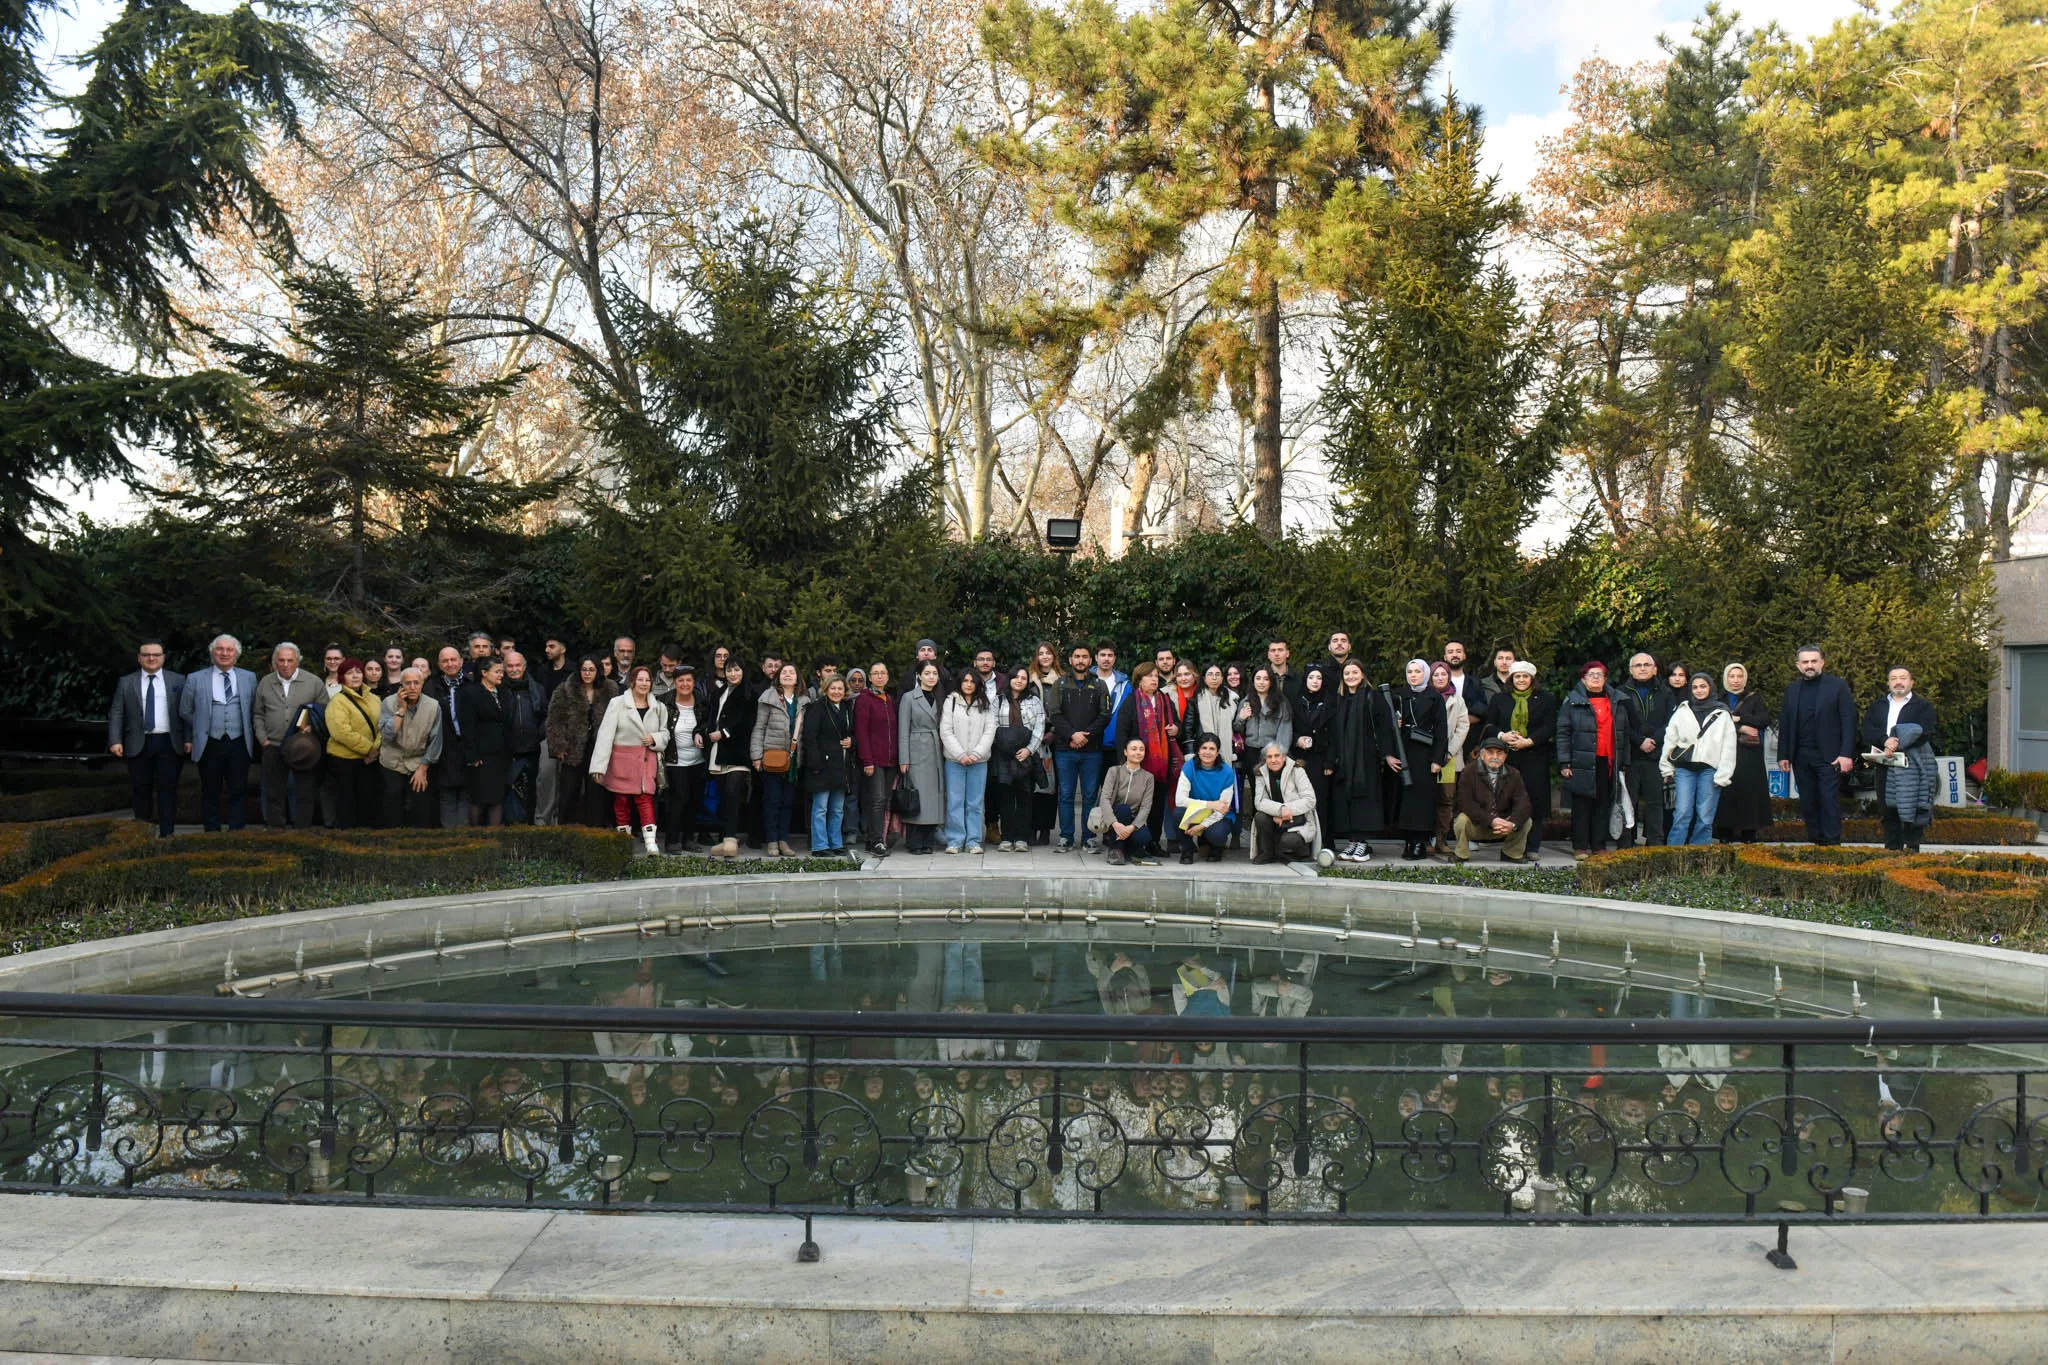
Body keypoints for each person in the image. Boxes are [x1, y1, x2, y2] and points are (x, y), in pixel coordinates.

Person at [1777, 644, 1858, 846]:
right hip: (1800, 755)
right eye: (1805, 662)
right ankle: (1816, 842)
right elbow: (1785, 723)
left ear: (1822, 662)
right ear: (1798, 665)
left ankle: (1832, 845)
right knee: (1808, 802)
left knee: (1829, 801)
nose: (1810, 665)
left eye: (1814, 661)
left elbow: (1849, 720)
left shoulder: (1837, 686)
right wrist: (1783, 754)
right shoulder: (1792, 690)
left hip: (1829, 756)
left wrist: (1846, 753)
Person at [179, 633, 259, 833]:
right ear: (212, 652)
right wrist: (200, 727)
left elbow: (255, 708)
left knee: (238, 790)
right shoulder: (195, 678)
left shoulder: (249, 677)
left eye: (229, 650)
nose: (224, 653)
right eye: (220, 649)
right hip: (209, 742)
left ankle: (237, 831)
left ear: (236, 654)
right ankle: (211, 832)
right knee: (210, 790)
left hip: (239, 741)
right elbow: (185, 710)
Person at [107, 639, 185, 837]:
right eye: (146, 655)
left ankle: (168, 834)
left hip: (169, 743)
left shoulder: (178, 681)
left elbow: (187, 713)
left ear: (163, 658)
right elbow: (117, 712)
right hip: (137, 743)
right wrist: (115, 740)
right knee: (141, 789)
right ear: (139, 658)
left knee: (168, 789)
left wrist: (189, 739)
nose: (151, 658)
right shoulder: (126, 682)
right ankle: (142, 833)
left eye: (156, 655)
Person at [1558, 660, 1634, 859]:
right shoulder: (1572, 701)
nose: (1595, 678)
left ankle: (1599, 845)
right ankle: (1580, 847)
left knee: (1603, 804)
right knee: (1582, 806)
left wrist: (1624, 762)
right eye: (1591, 675)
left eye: (1599, 674)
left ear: (1605, 679)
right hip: (1581, 761)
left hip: (1608, 761)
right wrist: (1564, 762)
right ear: (1583, 679)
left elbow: (1624, 734)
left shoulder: (1617, 701)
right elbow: (1563, 733)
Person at [591, 663, 669, 853]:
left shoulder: (658, 707)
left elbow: (666, 733)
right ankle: (623, 841)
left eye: (647, 680)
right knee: (622, 800)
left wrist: (655, 739)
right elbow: (605, 735)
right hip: (622, 761)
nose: (644, 683)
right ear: (632, 682)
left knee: (645, 799)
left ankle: (651, 842)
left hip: (646, 759)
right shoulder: (617, 703)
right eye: (640, 679)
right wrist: (598, 767)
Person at [1482, 660, 1557, 858]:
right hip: (1506, 758)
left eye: (1525, 676)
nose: (1521, 680)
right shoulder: (1500, 699)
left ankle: (1532, 847)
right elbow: (1489, 725)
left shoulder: (1546, 699)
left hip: (1534, 757)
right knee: (1507, 799)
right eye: (1517, 676)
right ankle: (1511, 845)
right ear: (1511, 678)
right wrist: (1502, 736)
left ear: (1532, 678)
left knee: (1534, 801)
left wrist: (1529, 741)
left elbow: (1550, 727)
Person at [1861, 666, 1939, 851]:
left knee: (1913, 807)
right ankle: (1892, 849)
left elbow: (1926, 731)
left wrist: (1899, 743)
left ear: (1911, 682)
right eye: (1894, 678)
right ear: (1888, 683)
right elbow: (1868, 730)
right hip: (1886, 762)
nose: (1898, 681)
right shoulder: (1878, 706)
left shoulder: (1923, 707)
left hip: (1912, 765)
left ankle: (1912, 849)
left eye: (1903, 678)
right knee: (1888, 808)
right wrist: (1885, 741)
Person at [251, 641, 325, 830]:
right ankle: (276, 831)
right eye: (281, 661)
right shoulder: (266, 682)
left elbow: (326, 712)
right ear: (275, 662)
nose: (285, 665)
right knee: (273, 792)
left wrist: (313, 728)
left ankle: (302, 831)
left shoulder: (313, 682)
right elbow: (258, 713)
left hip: (303, 747)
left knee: (304, 792)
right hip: (273, 745)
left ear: (298, 661)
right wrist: (263, 739)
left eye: (290, 660)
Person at [1327, 659, 1395, 863]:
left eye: (1354, 672)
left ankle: (1363, 843)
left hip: (1366, 760)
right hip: (1344, 760)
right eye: (1347, 673)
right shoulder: (1338, 699)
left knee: (1365, 800)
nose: (1350, 677)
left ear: (1363, 674)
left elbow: (1384, 728)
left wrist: (1388, 754)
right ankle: (1352, 841)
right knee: (1345, 800)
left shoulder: (1373, 697)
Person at [1047, 644, 1110, 852]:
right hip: (1065, 750)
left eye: (1084, 657)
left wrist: (1085, 736)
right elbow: (1054, 714)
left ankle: (1089, 837)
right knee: (1065, 794)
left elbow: (1105, 716)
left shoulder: (1100, 685)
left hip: (1092, 751)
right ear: (1071, 660)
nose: (1081, 660)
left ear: (1090, 660)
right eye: (1077, 656)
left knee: (1091, 795)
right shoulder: (1060, 684)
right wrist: (1072, 735)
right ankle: (1066, 837)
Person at [1662, 671, 1737, 846]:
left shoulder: (1722, 713)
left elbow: (1729, 746)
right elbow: (1670, 739)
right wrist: (1666, 767)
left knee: (1705, 816)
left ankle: (1700, 856)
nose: (1699, 690)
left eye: (1703, 686)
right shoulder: (1682, 710)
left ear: (1710, 687)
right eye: (1695, 687)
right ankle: (1674, 856)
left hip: (1710, 770)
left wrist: (1724, 775)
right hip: (1684, 768)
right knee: (1682, 813)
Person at [1114, 663, 1182, 849]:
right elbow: (1122, 733)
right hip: (1138, 764)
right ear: (1139, 679)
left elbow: (1177, 724)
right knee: (1137, 804)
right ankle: (1133, 841)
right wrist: (1124, 761)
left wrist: (1176, 728)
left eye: (1155, 676)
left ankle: (1153, 842)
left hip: (1161, 765)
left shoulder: (1165, 699)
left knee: (1158, 805)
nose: (1154, 679)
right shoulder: (1130, 702)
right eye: (1149, 676)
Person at [544, 656, 612, 828]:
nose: (587, 673)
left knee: (596, 790)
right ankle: (566, 829)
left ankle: (596, 830)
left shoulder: (609, 689)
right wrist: (558, 745)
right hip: (572, 746)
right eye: (584, 669)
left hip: (598, 746)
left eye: (591, 670)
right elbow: (554, 720)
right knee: (569, 789)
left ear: (598, 671)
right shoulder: (565, 689)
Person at [1391, 659, 1449, 861]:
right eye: (1410, 671)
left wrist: (1437, 760)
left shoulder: (1434, 697)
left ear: (1425, 673)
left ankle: (1419, 842)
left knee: (1422, 800)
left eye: (1417, 671)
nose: (1413, 675)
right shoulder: (1399, 696)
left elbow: (1442, 731)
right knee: (1405, 800)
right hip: (1404, 752)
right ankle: (1408, 840)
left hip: (1425, 755)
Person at [1713, 663, 1774, 844]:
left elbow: (1763, 720)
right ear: (1726, 678)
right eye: (1732, 676)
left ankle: (1749, 833)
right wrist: (1742, 728)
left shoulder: (1754, 698)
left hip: (1748, 754)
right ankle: (1725, 833)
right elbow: (1715, 724)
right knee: (1726, 792)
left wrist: (1741, 719)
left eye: (1739, 676)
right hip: (1723, 752)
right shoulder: (1718, 699)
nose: (1736, 680)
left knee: (1749, 792)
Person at [752, 662, 808, 858]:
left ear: (797, 677)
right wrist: (756, 755)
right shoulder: (768, 698)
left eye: (792, 672)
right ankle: (772, 841)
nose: (787, 675)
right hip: (772, 757)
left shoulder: (804, 701)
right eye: (784, 672)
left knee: (787, 801)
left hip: (793, 759)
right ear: (778, 677)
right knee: (772, 800)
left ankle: (784, 839)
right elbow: (759, 728)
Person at [378, 666, 443, 828]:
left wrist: (423, 768)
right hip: (392, 759)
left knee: (421, 805)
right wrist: (401, 709)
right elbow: (387, 735)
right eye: (408, 683)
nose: (412, 687)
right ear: (401, 685)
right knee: (392, 802)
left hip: (418, 760)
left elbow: (436, 740)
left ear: (422, 684)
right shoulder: (388, 702)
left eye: (416, 683)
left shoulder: (433, 706)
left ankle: (419, 843)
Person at [702, 658, 755, 857]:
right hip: (717, 751)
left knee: (733, 793)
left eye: (736, 669)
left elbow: (747, 722)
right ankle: (726, 838)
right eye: (729, 670)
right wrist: (704, 733)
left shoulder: (749, 693)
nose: (733, 674)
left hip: (738, 752)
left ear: (743, 671)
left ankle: (731, 839)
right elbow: (710, 718)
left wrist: (724, 733)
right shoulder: (718, 693)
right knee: (723, 795)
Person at [1618, 653, 1672, 848]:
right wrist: (1639, 741)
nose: (1642, 668)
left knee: (1655, 802)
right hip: (1630, 756)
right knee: (1627, 802)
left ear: (1655, 669)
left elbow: (1670, 722)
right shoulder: (1621, 693)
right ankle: (1626, 841)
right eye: (1638, 665)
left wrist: (1654, 741)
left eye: (1647, 665)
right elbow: (1620, 723)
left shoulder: (1665, 693)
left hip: (1655, 756)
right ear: (1631, 670)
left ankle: (1655, 841)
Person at [321, 657, 382, 829]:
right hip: (344, 760)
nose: (355, 676)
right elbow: (340, 732)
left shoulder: (374, 699)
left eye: (358, 672)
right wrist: (368, 748)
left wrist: (375, 749)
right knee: (347, 803)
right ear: (342, 677)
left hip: (370, 760)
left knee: (368, 800)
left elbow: (383, 726)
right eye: (349, 673)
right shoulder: (337, 702)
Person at [939, 670, 995, 855]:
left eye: (972, 681)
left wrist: (977, 753)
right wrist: (961, 754)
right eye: (965, 681)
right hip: (955, 761)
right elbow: (946, 731)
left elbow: (989, 731)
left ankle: (973, 841)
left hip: (978, 762)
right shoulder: (951, 701)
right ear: (960, 683)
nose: (969, 684)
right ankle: (955, 840)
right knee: (955, 801)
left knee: (975, 802)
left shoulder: (985, 704)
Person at [991, 665, 1046, 853]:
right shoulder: (998, 700)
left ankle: (1022, 837)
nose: (1019, 681)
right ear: (1010, 678)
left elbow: (1039, 727)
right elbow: (993, 725)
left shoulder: (1034, 701)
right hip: (1004, 755)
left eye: (1024, 678)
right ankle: (1006, 837)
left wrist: (1029, 750)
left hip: (1026, 755)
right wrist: (1004, 747)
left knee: (1024, 796)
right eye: (1016, 677)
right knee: (1005, 796)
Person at [801, 674, 855, 857]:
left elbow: (852, 733)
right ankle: (820, 846)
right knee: (820, 808)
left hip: (841, 766)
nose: (836, 692)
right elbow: (810, 737)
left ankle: (836, 843)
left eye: (840, 688)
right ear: (825, 689)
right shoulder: (816, 708)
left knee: (838, 808)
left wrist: (851, 741)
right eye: (833, 688)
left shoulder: (847, 708)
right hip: (822, 766)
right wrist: (815, 763)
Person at [1453, 737, 1532, 863]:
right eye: (1490, 752)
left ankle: (1512, 853)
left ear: (1505, 756)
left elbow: (1523, 803)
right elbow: (1465, 803)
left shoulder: (1514, 774)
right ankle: (1462, 854)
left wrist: (1512, 823)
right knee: (1462, 820)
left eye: (1499, 753)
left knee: (1526, 821)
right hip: (1477, 824)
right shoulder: (1468, 771)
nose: (1495, 756)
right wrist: (1491, 820)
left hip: (1503, 826)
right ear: (1482, 755)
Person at [897, 660, 948, 854]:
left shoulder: (941, 697)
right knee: (918, 796)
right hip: (916, 749)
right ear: (919, 675)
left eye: (934, 673)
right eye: (927, 673)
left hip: (936, 750)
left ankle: (928, 841)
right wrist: (904, 758)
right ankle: (914, 842)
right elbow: (903, 729)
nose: (931, 677)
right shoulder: (909, 698)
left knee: (933, 797)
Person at [457, 655, 513, 827]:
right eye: (497, 672)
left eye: (501, 672)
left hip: (500, 754)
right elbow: (467, 727)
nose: (501, 675)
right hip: (481, 755)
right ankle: (475, 836)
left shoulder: (503, 691)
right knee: (479, 798)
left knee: (497, 797)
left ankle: (494, 837)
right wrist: (472, 755)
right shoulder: (470, 693)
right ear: (484, 673)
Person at [852, 662, 898, 858]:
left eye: (883, 673)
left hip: (891, 759)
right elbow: (861, 732)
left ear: (887, 677)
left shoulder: (889, 698)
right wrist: (867, 760)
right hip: (874, 759)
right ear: (870, 677)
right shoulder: (865, 698)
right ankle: (877, 840)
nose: (879, 676)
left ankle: (873, 839)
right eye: (876, 673)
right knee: (877, 800)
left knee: (885, 800)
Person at [1250, 743, 1323, 864]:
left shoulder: (1297, 770)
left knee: (1287, 841)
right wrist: (1280, 810)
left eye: (1277, 756)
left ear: (1284, 757)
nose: (1273, 760)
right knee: (1260, 817)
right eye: (1269, 757)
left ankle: (1297, 852)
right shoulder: (1261, 773)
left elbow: (1310, 800)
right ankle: (1267, 853)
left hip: (1297, 819)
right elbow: (1259, 802)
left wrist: (1286, 810)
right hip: (1275, 817)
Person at [1092, 737, 1159, 866]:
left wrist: (1132, 827)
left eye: (1141, 749)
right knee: (1123, 809)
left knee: (1144, 837)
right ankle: (1116, 850)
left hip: (1133, 821)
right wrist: (1115, 823)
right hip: (1114, 818)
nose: (1138, 752)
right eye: (1133, 749)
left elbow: (1146, 806)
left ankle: (1126, 850)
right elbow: (1104, 799)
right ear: (1125, 752)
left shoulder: (1148, 777)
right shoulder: (1114, 771)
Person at [499, 649, 548, 824]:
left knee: (531, 790)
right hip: (506, 750)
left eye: (517, 665)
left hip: (531, 748)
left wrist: (538, 735)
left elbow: (545, 715)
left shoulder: (537, 689)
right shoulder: (498, 689)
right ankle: (509, 825)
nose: (514, 669)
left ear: (524, 666)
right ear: (504, 668)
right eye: (509, 666)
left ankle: (528, 824)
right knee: (507, 789)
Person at [664, 665, 709, 852]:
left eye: (688, 680)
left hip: (698, 760)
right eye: (681, 680)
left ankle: (689, 839)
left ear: (694, 682)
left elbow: (707, 723)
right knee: (679, 798)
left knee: (694, 800)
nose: (685, 684)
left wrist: (702, 733)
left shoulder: (702, 701)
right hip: (675, 760)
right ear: (675, 683)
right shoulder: (665, 702)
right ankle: (672, 840)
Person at [424, 645, 470, 827]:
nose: (450, 664)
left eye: (453, 659)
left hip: (467, 748)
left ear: (461, 661)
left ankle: (465, 840)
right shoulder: (431, 687)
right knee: (447, 795)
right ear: (439, 664)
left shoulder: (471, 684)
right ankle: (449, 838)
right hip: (443, 749)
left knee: (467, 794)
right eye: (445, 660)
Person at [1174, 736, 1237, 863]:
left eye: (1212, 749)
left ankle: (1216, 848)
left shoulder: (1227, 772)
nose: (1207, 752)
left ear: (1217, 752)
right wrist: (1210, 804)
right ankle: (1187, 849)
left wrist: (1202, 826)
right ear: (1198, 750)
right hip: (1197, 811)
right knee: (1178, 813)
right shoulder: (1189, 767)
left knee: (1217, 835)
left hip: (1219, 816)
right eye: (1204, 748)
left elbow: (1222, 809)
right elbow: (1180, 800)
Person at [1430, 661, 1470, 858]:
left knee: (1446, 799)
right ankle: (1425, 839)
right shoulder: (1425, 696)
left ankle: (1441, 839)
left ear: (1448, 676)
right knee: (1427, 797)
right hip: (1427, 757)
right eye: (1435, 675)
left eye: (1443, 675)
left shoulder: (1458, 699)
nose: (1439, 678)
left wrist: (1448, 752)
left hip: (1450, 758)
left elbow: (1463, 727)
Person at [1234, 665, 1293, 781]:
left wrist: (1280, 753)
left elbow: (1285, 730)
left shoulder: (1281, 703)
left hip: (1272, 751)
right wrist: (1241, 718)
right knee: (1254, 786)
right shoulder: (1245, 702)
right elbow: (1237, 730)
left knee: (1273, 787)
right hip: (1251, 751)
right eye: (1258, 678)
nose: (1261, 682)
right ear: (1253, 681)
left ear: (1271, 682)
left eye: (1266, 679)